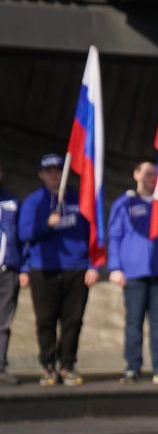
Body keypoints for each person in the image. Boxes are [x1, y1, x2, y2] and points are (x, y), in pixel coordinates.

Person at [17, 151, 96, 386]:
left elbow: (92, 233)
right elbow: (23, 234)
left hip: (76, 267)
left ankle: (67, 365)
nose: (54, 174)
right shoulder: (34, 201)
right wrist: (46, 225)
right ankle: (48, 365)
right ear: (41, 174)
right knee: (46, 320)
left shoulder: (79, 199)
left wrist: (93, 264)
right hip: (44, 268)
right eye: (49, 170)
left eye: (58, 169)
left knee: (73, 320)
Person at [107, 159, 158, 384]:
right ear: (136, 174)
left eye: (155, 173)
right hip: (134, 272)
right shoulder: (124, 204)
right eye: (148, 173)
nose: (151, 177)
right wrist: (115, 267)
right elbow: (115, 236)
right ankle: (132, 367)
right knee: (134, 322)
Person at [0, 166, 20, 384]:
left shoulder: (12, 202)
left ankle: (0, 366)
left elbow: (20, 236)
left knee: (3, 322)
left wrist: (21, 268)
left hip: (7, 271)